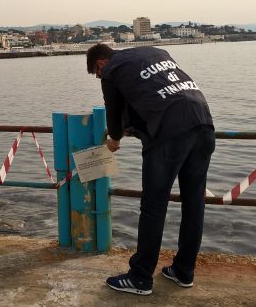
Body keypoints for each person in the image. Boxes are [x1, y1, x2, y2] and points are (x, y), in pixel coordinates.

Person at [87, 43, 215, 296]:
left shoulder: (112, 70)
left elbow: (113, 115)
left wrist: (114, 139)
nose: (99, 77)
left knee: (153, 206)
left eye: (96, 73)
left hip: (170, 133)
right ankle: (183, 271)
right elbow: (154, 93)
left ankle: (140, 277)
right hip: (202, 122)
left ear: (100, 64)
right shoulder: (154, 52)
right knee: (194, 202)